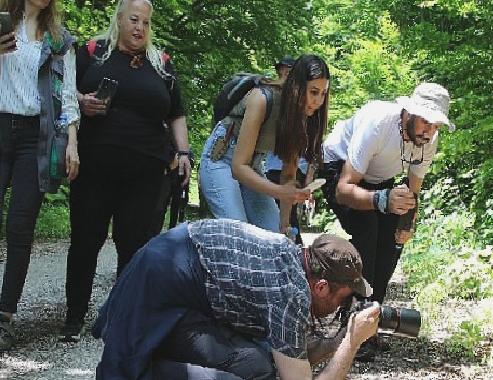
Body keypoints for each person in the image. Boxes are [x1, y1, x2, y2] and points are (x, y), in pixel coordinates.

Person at [92, 218, 380, 380]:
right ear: (320, 287)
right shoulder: (289, 294)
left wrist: (336, 341)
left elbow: (291, 354)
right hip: (158, 289)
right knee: (127, 370)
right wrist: (351, 344)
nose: (344, 306)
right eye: (344, 298)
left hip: (174, 267)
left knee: (257, 364)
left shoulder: (290, 255)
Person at [60, 0, 191, 342]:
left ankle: (120, 317)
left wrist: (184, 151)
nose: (140, 28)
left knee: (133, 244)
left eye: (146, 23)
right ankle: (74, 318)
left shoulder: (161, 65)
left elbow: (176, 114)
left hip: (146, 171)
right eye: (134, 20)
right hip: (94, 167)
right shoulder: (92, 52)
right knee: (86, 240)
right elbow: (63, 92)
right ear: (118, 19)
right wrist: (82, 100)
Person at [319, 82, 455, 359]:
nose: (429, 131)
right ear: (408, 113)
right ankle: (351, 327)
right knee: (367, 236)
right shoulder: (379, 122)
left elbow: (413, 191)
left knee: (391, 245)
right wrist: (381, 201)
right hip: (341, 170)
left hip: (380, 180)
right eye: (425, 122)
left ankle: (369, 321)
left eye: (436, 125)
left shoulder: (427, 139)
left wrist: (406, 225)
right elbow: (344, 190)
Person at [0, 0, 79, 351]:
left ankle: (4, 316)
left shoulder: (59, 41)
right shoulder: (2, 24)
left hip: (36, 138)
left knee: (20, 226)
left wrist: (72, 142)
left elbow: (67, 97)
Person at [199, 54, 330, 234]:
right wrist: (281, 192)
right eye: (314, 92)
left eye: (323, 93)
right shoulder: (262, 98)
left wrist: (284, 225)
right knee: (239, 234)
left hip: (253, 166)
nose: (318, 101)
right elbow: (238, 167)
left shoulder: (303, 117)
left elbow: (288, 176)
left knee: (275, 239)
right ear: (297, 86)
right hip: (222, 159)